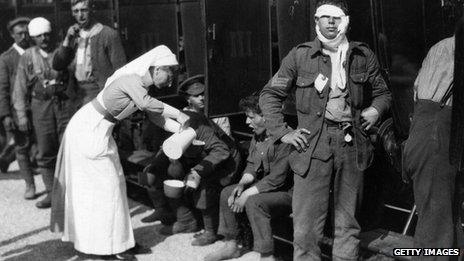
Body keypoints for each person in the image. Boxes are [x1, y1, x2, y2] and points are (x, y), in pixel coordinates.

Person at [259, 1, 391, 260]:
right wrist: (283, 132)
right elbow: (270, 94)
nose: (331, 22)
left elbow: (383, 92)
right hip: (312, 146)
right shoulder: (300, 55)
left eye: (336, 18)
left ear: (345, 22)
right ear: (316, 22)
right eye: (325, 17)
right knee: (306, 226)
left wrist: (376, 109)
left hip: (352, 145)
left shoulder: (362, 55)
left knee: (347, 223)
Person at [50, 45, 190, 260]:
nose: (172, 79)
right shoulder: (131, 81)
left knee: (116, 188)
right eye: (169, 71)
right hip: (89, 131)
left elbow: (155, 116)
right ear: (156, 69)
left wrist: (182, 129)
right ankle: (98, 248)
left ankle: (121, 243)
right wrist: (180, 115)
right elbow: (147, 104)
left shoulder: (141, 87)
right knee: (101, 190)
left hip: (101, 131)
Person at [402, 17, 464, 260]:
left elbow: (417, 89)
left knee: (447, 217)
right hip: (438, 135)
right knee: (437, 226)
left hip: (431, 130)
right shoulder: (453, 50)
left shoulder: (441, 46)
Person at [204, 95, 292, 261]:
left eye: (251, 117)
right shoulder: (258, 136)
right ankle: (231, 246)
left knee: (254, 201)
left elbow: (277, 179)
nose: (246, 122)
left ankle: (266, 255)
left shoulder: (286, 138)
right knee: (227, 193)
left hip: (285, 193)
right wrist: (241, 185)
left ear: (267, 117)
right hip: (262, 188)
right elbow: (252, 164)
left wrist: (246, 194)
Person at [143, 108, 241, 246]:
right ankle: (186, 220)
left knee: (203, 188)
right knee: (165, 175)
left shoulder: (200, 127)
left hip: (225, 162)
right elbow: (166, 146)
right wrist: (156, 165)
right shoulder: (170, 122)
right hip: (198, 157)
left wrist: (197, 172)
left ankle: (210, 232)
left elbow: (222, 151)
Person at [13, 17, 73, 209]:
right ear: (33, 37)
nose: (44, 39)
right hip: (41, 106)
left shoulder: (60, 52)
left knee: (68, 148)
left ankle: (70, 194)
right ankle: (51, 193)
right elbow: (19, 89)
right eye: (39, 36)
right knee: (46, 151)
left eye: (47, 34)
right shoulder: (27, 57)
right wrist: (21, 116)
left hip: (63, 104)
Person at [53, 0, 126, 109]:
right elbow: (58, 65)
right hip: (76, 91)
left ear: (91, 10)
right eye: (76, 11)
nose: (80, 15)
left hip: (98, 90)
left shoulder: (107, 34)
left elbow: (120, 69)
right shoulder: (74, 35)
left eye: (84, 10)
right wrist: (67, 39)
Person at [0, 17, 36, 198]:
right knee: (22, 147)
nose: (24, 36)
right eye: (19, 33)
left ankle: (7, 158)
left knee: (40, 146)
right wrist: (5, 115)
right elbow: (3, 89)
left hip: (37, 106)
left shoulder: (36, 52)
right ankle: (30, 185)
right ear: (12, 36)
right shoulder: (6, 59)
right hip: (17, 110)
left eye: (26, 32)